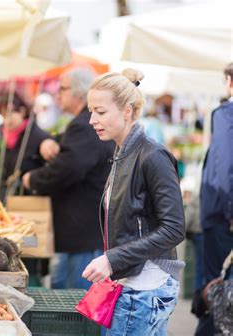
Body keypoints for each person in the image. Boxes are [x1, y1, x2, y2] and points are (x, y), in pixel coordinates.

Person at [83, 68, 185, 335]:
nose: (92, 119)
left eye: (101, 112)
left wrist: (112, 259)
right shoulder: (121, 153)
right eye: (91, 111)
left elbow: (174, 229)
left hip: (145, 289)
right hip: (131, 285)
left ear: (127, 111)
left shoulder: (153, 156)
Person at [21, 69, 114, 290]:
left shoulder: (84, 124)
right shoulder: (81, 124)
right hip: (77, 231)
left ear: (80, 93)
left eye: (62, 88)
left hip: (80, 231)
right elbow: (69, 150)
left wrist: (33, 179)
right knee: (65, 295)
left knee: (74, 305)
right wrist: (47, 143)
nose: (57, 94)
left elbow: (68, 167)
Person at [196, 62, 233, 336]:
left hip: (223, 216)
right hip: (223, 213)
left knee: (218, 289)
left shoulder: (226, 114)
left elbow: (224, 166)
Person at [0, 90, 49, 203]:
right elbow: (4, 159)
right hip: (6, 200)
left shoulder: (40, 138)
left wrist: (32, 178)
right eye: (3, 116)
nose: (6, 121)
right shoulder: (9, 135)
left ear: (22, 111)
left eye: (8, 114)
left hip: (28, 204)